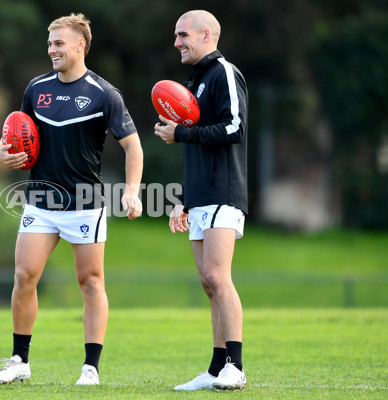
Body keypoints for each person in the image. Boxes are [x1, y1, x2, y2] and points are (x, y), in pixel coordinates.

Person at [0, 13, 143, 386]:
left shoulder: (105, 94)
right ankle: (19, 361)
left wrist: (132, 191)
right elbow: (12, 135)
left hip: (85, 204)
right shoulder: (36, 89)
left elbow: (133, 146)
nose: (51, 49)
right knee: (25, 275)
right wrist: (0, 155)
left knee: (90, 282)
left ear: (80, 45)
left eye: (59, 43)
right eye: (49, 43)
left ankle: (90, 368)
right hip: (40, 201)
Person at [154, 10, 248, 391]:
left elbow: (234, 128)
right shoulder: (195, 80)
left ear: (206, 34)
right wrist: (184, 199)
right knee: (208, 283)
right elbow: (195, 146)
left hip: (224, 191)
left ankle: (236, 367)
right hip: (200, 196)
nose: (176, 42)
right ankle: (215, 369)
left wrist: (181, 134)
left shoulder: (224, 72)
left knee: (216, 275)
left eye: (182, 35)